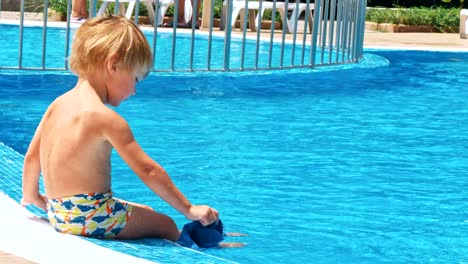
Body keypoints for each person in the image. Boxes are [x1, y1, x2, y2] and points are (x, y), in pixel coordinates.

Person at [20, 15, 219, 242]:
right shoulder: (104, 117)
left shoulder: (57, 104)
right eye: (135, 78)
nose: (134, 90)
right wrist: (189, 209)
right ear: (113, 65)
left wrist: (32, 196)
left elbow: (32, 157)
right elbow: (148, 171)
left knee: (146, 212)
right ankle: (193, 248)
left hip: (59, 212)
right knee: (166, 224)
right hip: (91, 218)